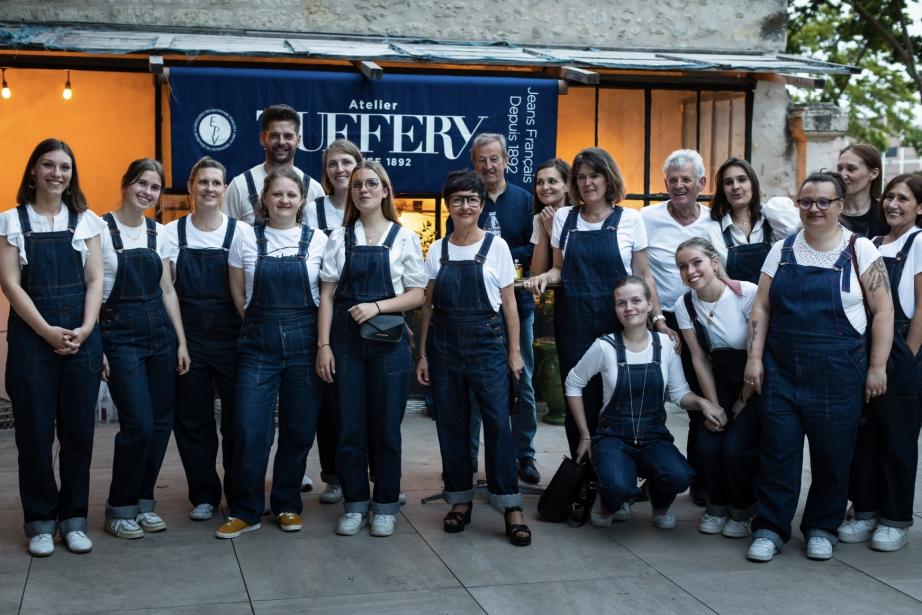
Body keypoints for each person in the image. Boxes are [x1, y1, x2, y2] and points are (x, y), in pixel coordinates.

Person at [744, 170, 893, 563]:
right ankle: (770, 528)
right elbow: (761, 304)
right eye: (807, 201)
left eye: (824, 201)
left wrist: (877, 367)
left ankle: (822, 528)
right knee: (778, 454)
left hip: (840, 373)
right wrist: (755, 358)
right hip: (782, 371)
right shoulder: (782, 250)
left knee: (832, 458)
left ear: (840, 206)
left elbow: (883, 312)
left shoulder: (861, 251)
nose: (814, 208)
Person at [526, 147, 673, 464]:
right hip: (574, 324)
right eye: (580, 177)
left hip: (619, 322)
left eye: (594, 175)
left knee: (620, 400)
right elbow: (558, 269)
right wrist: (542, 278)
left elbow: (644, 275)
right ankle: (584, 478)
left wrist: (658, 319)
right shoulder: (565, 217)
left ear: (608, 179)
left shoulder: (630, 219)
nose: (587, 182)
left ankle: (617, 478)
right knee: (579, 399)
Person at [0, 139, 104, 556]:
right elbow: (9, 282)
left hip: (81, 336)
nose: (57, 173)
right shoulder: (11, 221)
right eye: (48, 165)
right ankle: (40, 521)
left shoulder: (87, 221)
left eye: (64, 167)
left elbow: (95, 279)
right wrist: (46, 330)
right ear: (33, 171)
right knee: (35, 433)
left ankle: (74, 518)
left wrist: (85, 328)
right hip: (31, 338)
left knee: (78, 432)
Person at [415, 170, 531, 545]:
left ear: (481, 205)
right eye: (458, 200)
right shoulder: (438, 250)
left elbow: (510, 306)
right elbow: (428, 307)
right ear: (448, 205)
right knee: (452, 425)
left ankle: (510, 504)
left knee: (498, 424)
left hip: (487, 344)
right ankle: (460, 499)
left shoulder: (497, 247)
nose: (465, 206)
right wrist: (423, 354)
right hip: (445, 346)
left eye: (472, 200)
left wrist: (514, 352)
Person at [215, 168, 329, 538]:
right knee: (248, 428)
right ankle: (245, 509)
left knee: (298, 431)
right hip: (256, 346)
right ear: (264, 199)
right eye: (277, 194)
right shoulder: (246, 238)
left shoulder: (318, 241)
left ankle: (286, 504)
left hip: (303, 345)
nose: (283, 201)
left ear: (302, 201)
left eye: (291, 195)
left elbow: (326, 296)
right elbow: (237, 293)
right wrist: (258, 324)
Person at [316, 161, 426, 537]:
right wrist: (324, 345)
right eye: (358, 184)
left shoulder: (403, 237)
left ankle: (385, 506)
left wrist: (378, 306)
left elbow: (417, 293)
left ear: (384, 191)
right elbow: (327, 295)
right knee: (348, 427)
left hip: (388, 342)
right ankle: (355, 504)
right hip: (344, 343)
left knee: (386, 429)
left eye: (372, 184)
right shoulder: (339, 237)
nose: (363, 189)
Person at [566, 276, 726, 530]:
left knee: (680, 475)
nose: (630, 308)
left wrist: (704, 404)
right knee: (619, 486)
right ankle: (608, 502)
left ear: (650, 304)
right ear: (615, 309)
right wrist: (585, 435)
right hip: (613, 438)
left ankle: (659, 501)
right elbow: (573, 382)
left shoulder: (665, 345)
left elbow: (679, 393)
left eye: (636, 300)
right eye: (622, 303)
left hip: (653, 436)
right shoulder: (604, 346)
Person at [100, 158, 190, 539]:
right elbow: (93, 289)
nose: (147, 192)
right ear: (126, 183)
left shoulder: (161, 233)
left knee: (160, 424)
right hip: (118, 335)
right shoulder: (99, 229)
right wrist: (98, 346)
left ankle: (143, 502)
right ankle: (119, 506)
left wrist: (181, 340)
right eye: (141, 183)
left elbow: (167, 290)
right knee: (136, 424)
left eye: (154, 187)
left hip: (160, 336)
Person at [839, 173, 922, 552]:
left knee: (897, 439)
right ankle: (866, 508)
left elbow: (921, 309)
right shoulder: (871, 243)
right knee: (864, 437)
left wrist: (906, 360)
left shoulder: (919, 241)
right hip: (865, 348)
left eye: (903, 199)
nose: (893, 205)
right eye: (889, 197)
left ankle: (895, 518)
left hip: (902, 352)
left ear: (919, 207)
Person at [454, 133, 540, 484]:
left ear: (506, 160)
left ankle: (525, 455)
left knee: (523, 382)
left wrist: (498, 253)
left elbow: (534, 252)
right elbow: (457, 248)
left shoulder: (524, 201)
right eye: (481, 160)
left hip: (517, 307)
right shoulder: (467, 201)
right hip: (475, 311)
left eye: (494, 159)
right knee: (475, 388)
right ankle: (470, 458)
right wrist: (504, 251)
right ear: (474, 163)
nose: (488, 166)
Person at [161, 157, 241, 522]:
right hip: (188, 336)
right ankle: (204, 494)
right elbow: (166, 292)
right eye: (203, 181)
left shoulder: (239, 233)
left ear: (225, 190)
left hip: (233, 337)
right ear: (190, 186)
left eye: (216, 183)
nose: (210, 188)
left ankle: (240, 493)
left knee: (240, 420)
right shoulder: (170, 234)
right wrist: (179, 341)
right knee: (193, 421)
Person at [640, 149, 718, 506]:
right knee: (653, 401)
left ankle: (702, 479)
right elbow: (639, 272)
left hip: (704, 323)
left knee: (700, 401)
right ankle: (654, 476)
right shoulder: (645, 218)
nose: (679, 185)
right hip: (661, 322)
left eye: (686, 179)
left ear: (701, 183)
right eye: (673, 180)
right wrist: (656, 320)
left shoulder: (716, 222)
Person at [673, 238, 759, 538]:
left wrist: (739, 404)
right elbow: (698, 357)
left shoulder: (746, 293)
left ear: (714, 262)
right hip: (717, 382)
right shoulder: (683, 304)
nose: (690, 271)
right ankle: (717, 504)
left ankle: (744, 509)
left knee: (736, 448)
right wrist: (713, 406)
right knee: (707, 444)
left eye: (696, 262)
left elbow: (755, 357)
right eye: (683, 266)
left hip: (753, 384)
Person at [301, 138, 364, 504]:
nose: (340, 170)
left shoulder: (371, 204)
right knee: (330, 399)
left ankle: (371, 472)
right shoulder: (314, 211)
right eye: (332, 165)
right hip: (326, 311)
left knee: (364, 398)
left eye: (346, 162)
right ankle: (334, 476)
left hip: (366, 312)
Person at [703, 157, 801, 283]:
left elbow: (799, 241)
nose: (735, 186)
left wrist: (769, 209)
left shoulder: (773, 220)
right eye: (728, 182)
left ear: (753, 184)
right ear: (723, 190)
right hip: (734, 301)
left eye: (742, 180)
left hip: (774, 301)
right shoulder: (712, 232)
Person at [223, 103, 323, 225]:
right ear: (262, 138)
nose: (281, 142)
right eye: (274, 136)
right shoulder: (239, 186)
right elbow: (226, 236)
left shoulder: (314, 189)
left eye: (288, 136)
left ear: (298, 140)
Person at [836, 143, 889, 239]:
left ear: (873, 173)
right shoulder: (827, 210)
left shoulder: (885, 215)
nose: (842, 174)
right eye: (839, 169)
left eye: (851, 169)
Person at [529, 158, 571, 276]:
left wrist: (552, 230)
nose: (545, 187)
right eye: (540, 182)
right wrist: (543, 229)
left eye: (552, 181)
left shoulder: (579, 216)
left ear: (568, 186)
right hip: (548, 290)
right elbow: (536, 272)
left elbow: (572, 266)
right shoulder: (539, 218)